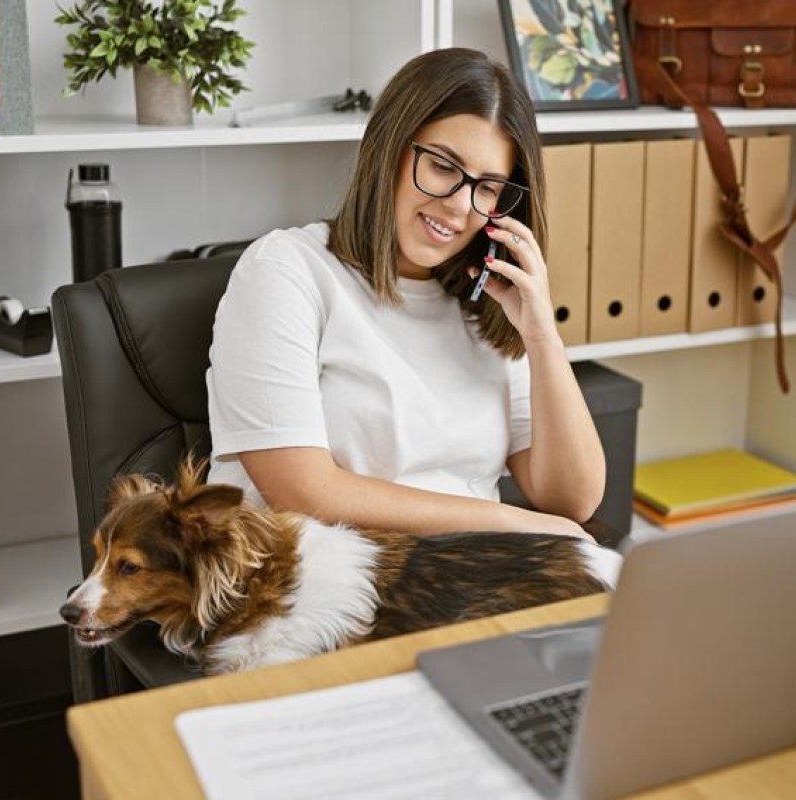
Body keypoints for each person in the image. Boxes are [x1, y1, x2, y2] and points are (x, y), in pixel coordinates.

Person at [206, 47, 605, 538]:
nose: (460, 208)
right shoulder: (287, 270)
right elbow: (303, 493)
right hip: (316, 585)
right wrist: (506, 520)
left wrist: (543, 337)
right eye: (442, 166)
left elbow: (572, 498)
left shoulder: (486, 305)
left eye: (487, 189)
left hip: (469, 580)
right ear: (390, 147)